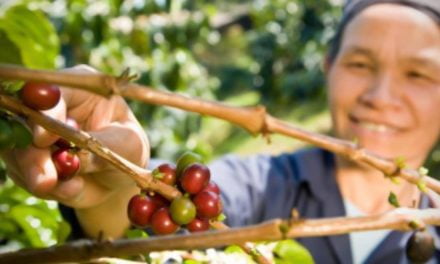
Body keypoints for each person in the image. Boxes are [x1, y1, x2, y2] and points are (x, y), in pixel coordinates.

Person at [1, 0, 440, 263]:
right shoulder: (262, 188)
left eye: (418, 74)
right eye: (360, 65)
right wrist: (111, 185)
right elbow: (158, 219)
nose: (382, 96)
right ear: (328, 69)